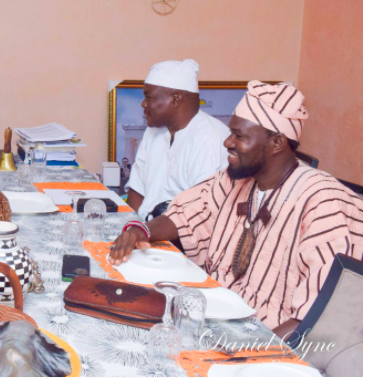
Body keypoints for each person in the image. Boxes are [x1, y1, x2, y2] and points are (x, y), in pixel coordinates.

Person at [110, 81, 363, 334]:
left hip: (267, 338)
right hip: (215, 317)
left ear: (277, 143)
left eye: (239, 136)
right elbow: (186, 214)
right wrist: (140, 231)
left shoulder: (323, 203)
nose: (227, 142)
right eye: (230, 133)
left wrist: (253, 354)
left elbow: (318, 317)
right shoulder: (236, 178)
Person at [125, 59, 229, 220]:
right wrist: (130, 226)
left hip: (183, 242)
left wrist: (144, 233)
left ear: (175, 100)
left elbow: (201, 216)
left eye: (149, 97)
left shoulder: (211, 138)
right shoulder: (152, 132)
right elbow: (137, 191)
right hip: (144, 234)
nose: (144, 104)